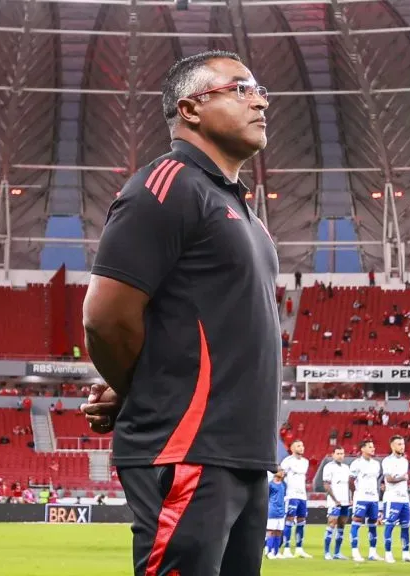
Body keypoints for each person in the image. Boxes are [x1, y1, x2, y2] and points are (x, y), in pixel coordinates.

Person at [79, 49, 277, 576]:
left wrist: (129, 388)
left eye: (259, 90)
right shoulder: (165, 186)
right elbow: (104, 318)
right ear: (190, 109)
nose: (259, 99)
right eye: (239, 88)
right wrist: (141, 388)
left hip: (245, 454)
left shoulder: (245, 213)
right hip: (186, 449)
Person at [381, 435, 410, 563]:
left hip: (404, 499)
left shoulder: (405, 461)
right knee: (389, 525)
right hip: (392, 498)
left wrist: (402, 478)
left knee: (406, 526)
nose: (402, 446)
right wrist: (403, 478)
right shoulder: (387, 461)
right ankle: (388, 553)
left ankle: (406, 553)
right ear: (392, 446)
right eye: (399, 444)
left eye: (403, 444)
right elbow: (389, 479)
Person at [349, 440, 382, 562]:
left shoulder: (376, 464)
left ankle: (372, 552)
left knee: (373, 523)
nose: (373, 448)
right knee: (357, 521)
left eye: (373, 446)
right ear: (362, 449)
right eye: (370, 447)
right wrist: (355, 495)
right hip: (361, 497)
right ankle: (355, 551)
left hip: (373, 498)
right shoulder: (356, 464)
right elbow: (351, 481)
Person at [280, 440, 311, 558]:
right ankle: (287, 548)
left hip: (302, 495)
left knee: (302, 520)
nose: (301, 447)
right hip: (291, 495)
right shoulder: (287, 461)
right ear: (292, 449)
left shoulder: (305, 462)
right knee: (289, 520)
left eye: (302, 445)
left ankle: (299, 548)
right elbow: (281, 477)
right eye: (298, 446)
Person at [321, 446, 351, 561]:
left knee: (342, 525)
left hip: (345, 501)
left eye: (342, 453)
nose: (340, 455)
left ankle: (337, 552)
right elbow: (326, 485)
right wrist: (335, 500)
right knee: (331, 524)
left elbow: (349, 484)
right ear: (333, 454)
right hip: (334, 501)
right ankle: (327, 552)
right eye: (338, 453)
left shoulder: (346, 468)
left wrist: (350, 498)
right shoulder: (328, 467)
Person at [265, 469, 286, 560]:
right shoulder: (270, 484)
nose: (282, 472)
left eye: (283, 471)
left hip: (281, 511)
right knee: (271, 531)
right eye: (280, 470)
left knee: (279, 531)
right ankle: (268, 551)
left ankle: (276, 552)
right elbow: (267, 497)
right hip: (272, 510)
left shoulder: (283, 484)